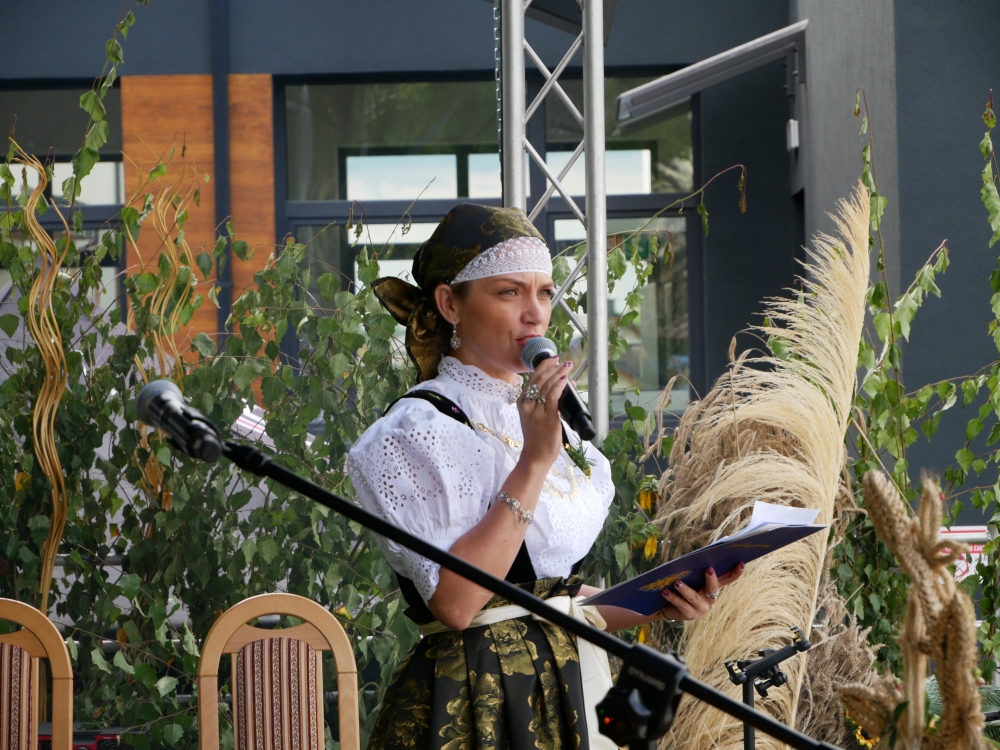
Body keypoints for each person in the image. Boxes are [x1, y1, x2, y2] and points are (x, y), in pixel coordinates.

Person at [345, 203, 743, 750]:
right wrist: (533, 462)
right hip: (478, 705)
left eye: (545, 293)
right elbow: (458, 604)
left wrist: (660, 599)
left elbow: (553, 602)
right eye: (510, 292)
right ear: (449, 304)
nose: (535, 314)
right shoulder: (415, 429)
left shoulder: (547, 421)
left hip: (570, 687)